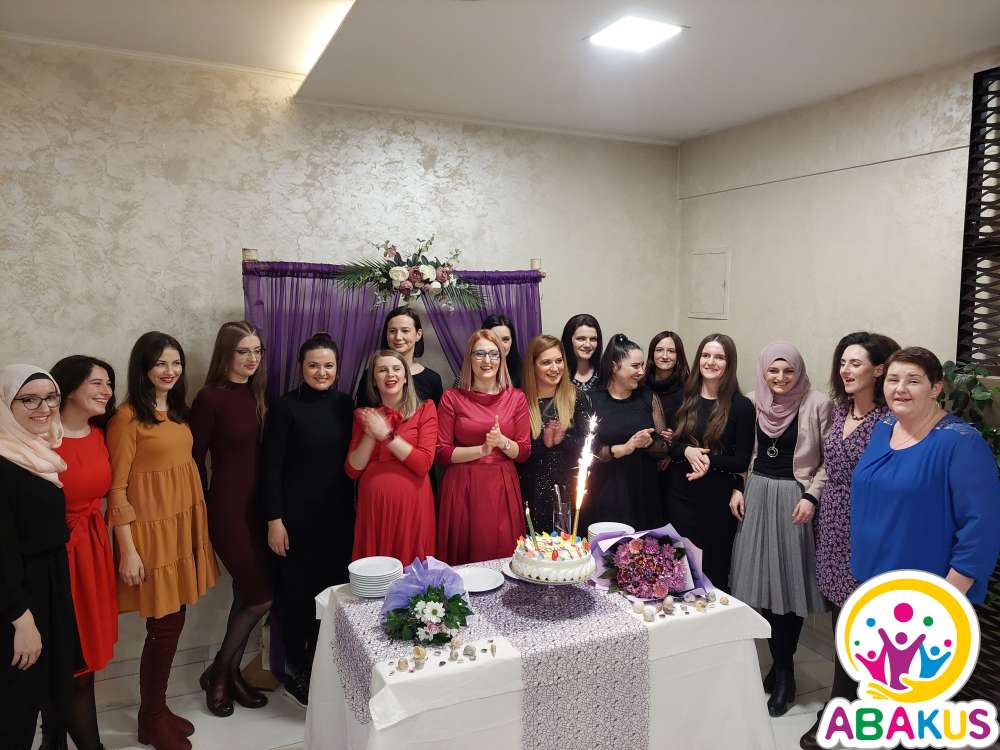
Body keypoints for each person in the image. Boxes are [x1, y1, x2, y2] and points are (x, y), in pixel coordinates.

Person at [106, 332, 218, 750]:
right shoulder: (126, 418)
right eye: (160, 363)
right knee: (164, 626)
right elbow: (116, 489)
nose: (170, 371)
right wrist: (128, 550)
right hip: (150, 535)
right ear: (143, 367)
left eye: (176, 363)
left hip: (180, 526)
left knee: (174, 620)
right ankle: (150, 718)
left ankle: (156, 709)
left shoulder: (176, 410)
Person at [799, 331, 898, 750]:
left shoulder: (889, 421)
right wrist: (811, 497)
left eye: (855, 363)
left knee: (863, 624)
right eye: (842, 362)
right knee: (842, 620)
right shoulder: (840, 412)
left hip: (867, 528)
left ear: (879, 370)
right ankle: (847, 703)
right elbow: (827, 466)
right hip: (832, 524)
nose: (845, 369)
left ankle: (843, 707)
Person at [728, 343, 830, 718]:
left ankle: (785, 672)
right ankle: (779, 662)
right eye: (774, 370)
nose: (781, 378)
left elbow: (829, 461)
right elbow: (742, 453)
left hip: (793, 500)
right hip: (756, 495)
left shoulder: (817, 403)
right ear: (763, 371)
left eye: (788, 371)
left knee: (789, 587)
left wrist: (812, 496)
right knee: (762, 587)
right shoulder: (752, 401)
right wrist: (738, 487)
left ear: (799, 372)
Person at [852, 347, 1000, 601]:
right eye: (893, 379)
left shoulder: (962, 443)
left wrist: (945, 598)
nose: (900, 389)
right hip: (871, 578)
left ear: (935, 388)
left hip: (926, 592)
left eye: (913, 381)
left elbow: (981, 529)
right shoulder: (884, 427)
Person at [260, 332, 354, 707]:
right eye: (314, 365)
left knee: (332, 596)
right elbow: (270, 468)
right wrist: (274, 519)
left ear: (338, 368)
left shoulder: (346, 404)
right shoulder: (285, 407)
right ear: (301, 367)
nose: (321, 372)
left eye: (328, 365)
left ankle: (324, 666)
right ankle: (295, 669)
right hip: (295, 522)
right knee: (297, 598)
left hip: (338, 519)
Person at [190, 322, 272, 717]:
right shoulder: (210, 398)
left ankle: (231, 674)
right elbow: (193, 460)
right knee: (261, 596)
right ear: (226, 353)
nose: (252, 358)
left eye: (257, 351)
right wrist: (202, 509)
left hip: (260, 510)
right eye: (243, 351)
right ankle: (218, 673)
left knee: (245, 594)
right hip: (227, 509)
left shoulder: (258, 392)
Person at [42, 356, 120, 750]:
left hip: (93, 552)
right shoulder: (40, 437)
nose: (107, 391)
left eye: (109, 383)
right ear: (69, 387)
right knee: (72, 663)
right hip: (55, 559)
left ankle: (53, 740)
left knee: (81, 656)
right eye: (97, 383)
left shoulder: (101, 434)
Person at [0, 366, 77, 750]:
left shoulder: (36, 452)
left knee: (44, 687)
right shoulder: (4, 461)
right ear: (5, 404)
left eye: (50, 397)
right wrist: (21, 619)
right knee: (16, 704)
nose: (43, 407)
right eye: (28, 399)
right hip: (18, 595)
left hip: (47, 582)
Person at [666, 334, 754, 592]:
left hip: (716, 502)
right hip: (679, 496)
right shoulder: (683, 397)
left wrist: (705, 458)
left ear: (729, 363)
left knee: (713, 575)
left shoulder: (741, 406)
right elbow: (670, 446)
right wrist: (687, 451)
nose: (711, 362)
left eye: (719, 357)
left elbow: (741, 460)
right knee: (678, 573)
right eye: (706, 355)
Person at [437, 330, 530, 564]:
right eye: (479, 354)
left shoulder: (517, 398)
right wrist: (482, 450)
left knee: (501, 555)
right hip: (462, 486)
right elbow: (442, 452)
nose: (487, 361)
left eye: (493, 354)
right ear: (469, 358)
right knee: (464, 557)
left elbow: (524, 452)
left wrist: (502, 442)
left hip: (501, 485)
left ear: (501, 358)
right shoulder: (452, 397)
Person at [347, 351, 438, 564]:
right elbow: (352, 470)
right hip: (373, 508)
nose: (390, 374)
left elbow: (423, 464)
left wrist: (386, 435)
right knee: (374, 572)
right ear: (374, 380)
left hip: (413, 507)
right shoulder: (364, 416)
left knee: (413, 570)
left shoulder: (425, 410)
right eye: (382, 370)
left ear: (406, 377)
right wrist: (371, 433)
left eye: (396, 369)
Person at [581, 334, 669, 533]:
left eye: (642, 365)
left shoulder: (648, 397)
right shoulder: (592, 399)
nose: (641, 371)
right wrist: (625, 448)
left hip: (643, 490)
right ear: (614, 366)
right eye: (635, 366)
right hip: (604, 490)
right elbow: (588, 451)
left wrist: (648, 443)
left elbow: (665, 448)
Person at [516, 335, 593, 530]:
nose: (555, 368)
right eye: (546, 362)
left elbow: (590, 446)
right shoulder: (519, 399)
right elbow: (517, 453)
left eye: (559, 361)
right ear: (532, 366)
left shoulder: (576, 396)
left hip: (569, 492)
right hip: (531, 492)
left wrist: (563, 439)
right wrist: (544, 443)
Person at [355, 305, 444, 407]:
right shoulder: (371, 374)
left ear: (418, 334)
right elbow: (361, 413)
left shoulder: (432, 379)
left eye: (405, 331)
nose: (398, 337)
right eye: (392, 331)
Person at [645, 331, 690, 429]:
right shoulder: (640, 385)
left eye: (671, 351)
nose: (665, 356)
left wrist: (677, 435)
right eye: (659, 350)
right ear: (652, 353)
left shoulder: (688, 388)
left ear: (678, 355)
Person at [560, 314, 603, 392]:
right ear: (569, 340)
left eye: (593, 339)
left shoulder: (605, 374)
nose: (587, 345)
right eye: (581, 339)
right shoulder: (558, 374)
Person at [482, 313, 523, 388]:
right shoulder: (472, 371)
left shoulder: (523, 371)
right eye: (494, 339)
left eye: (505, 339)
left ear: (512, 341)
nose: (500, 345)